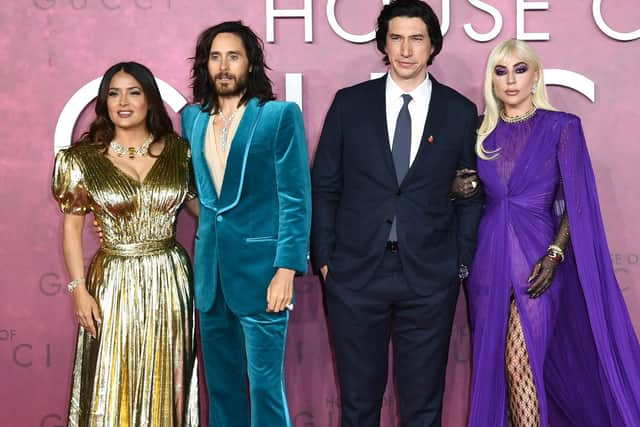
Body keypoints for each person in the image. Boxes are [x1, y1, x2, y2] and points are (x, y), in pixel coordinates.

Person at [311, 0, 483, 425]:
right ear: (383, 45)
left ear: (432, 47)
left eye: (417, 39)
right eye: (396, 38)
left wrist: (458, 264)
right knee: (357, 404)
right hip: (355, 275)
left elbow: (471, 194)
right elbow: (324, 187)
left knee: (423, 407)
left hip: (428, 277)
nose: (406, 49)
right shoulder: (350, 104)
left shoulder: (458, 111)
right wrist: (327, 261)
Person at [460, 39, 640, 426]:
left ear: (536, 75)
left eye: (520, 69)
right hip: (487, 260)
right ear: (491, 79)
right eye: (501, 71)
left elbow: (578, 203)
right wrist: (459, 187)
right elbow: (463, 188)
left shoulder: (562, 127)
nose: (511, 80)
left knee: (517, 362)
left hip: (539, 257)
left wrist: (556, 253)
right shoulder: (478, 130)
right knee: (499, 368)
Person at [52, 61, 199, 426]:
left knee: (168, 374)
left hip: (170, 279)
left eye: (134, 92)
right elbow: (72, 228)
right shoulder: (80, 159)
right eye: (114, 93)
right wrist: (78, 289)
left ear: (150, 99)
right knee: (111, 375)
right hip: (112, 281)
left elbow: (208, 213)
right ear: (104, 102)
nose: (124, 102)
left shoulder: (180, 153)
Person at [181, 21, 311, 427]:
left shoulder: (278, 116)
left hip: (263, 275)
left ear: (250, 63)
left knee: (265, 389)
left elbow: (295, 198)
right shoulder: (192, 120)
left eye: (232, 56)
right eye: (215, 57)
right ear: (205, 65)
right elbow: (206, 200)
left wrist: (286, 269)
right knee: (221, 389)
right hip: (211, 277)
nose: (223, 66)